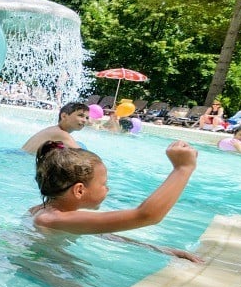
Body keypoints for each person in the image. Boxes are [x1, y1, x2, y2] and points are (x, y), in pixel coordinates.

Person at [30, 140, 203, 262]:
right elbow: (146, 216)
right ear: (80, 190)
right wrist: (183, 168)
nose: (108, 189)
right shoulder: (51, 219)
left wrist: (160, 250)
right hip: (42, 271)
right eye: (104, 184)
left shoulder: (52, 213)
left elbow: (103, 233)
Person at [21, 102, 89, 154]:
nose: (84, 120)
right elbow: (85, 157)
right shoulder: (61, 134)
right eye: (81, 115)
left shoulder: (54, 130)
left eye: (87, 118)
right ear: (64, 116)